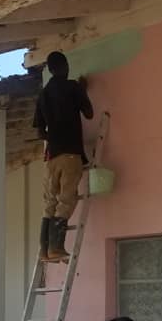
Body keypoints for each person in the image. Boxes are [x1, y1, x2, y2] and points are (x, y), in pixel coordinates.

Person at [33, 50, 94, 263]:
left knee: (50, 202)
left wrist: (54, 136)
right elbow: (89, 113)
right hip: (70, 154)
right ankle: (57, 248)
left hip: (51, 156)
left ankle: (44, 251)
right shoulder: (72, 87)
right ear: (65, 66)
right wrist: (82, 91)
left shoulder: (43, 94)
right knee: (66, 200)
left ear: (50, 70)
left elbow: (40, 131)